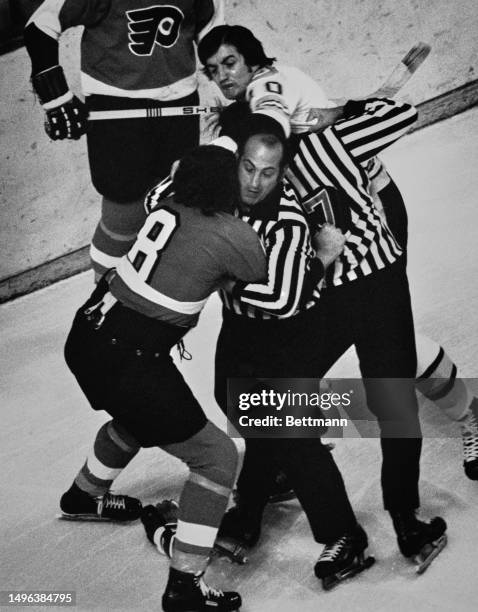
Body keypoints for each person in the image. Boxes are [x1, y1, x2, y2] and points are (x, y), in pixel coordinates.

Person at [197, 24, 478, 481]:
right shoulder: (257, 91)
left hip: (363, 213)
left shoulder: (268, 85)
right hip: (322, 218)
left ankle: (468, 413)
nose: (223, 77)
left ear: (253, 60)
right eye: (212, 71)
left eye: (230, 64)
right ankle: (298, 435)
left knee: (381, 332)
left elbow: (273, 124)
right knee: (340, 334)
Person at [197, 92, 449, 571]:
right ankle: (256, 505)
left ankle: (404, 516)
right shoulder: (248, 163)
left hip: (376, 287)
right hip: (323, 299)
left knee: (391, 401)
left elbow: (403, 112)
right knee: (272, 405)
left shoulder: (329, 141)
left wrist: (346, 108)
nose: (257, 178)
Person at [141, 121, 378, 590]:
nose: (254, 182)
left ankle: (345, 535)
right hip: (241, 330)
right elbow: (156, 201)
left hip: (291, 334)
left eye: (267, 173)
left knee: (290, 432)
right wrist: (213, 152)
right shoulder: (222, 189)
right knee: (236, 407)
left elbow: (280, 300)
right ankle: (254, 500)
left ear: (282, 173)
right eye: (247, 167)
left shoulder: (286, 220)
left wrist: (224, 277)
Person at [61, 145, 267, 612]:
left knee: (142, 416)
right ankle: (184, 590)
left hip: (87, 333)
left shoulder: (164, 203)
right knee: (215, 458)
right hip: (130, 357)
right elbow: (255, 270)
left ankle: (84, 494)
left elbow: (170, 180)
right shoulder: (232, 234)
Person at [23, 0, 225, 279]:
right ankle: (104, 290)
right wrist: (55, 96)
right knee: (124, 201)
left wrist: (239, 84)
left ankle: (154, 282)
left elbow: (212, 32)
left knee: (176, 193)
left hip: (180, 102)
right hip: (116, 104)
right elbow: (41, 25)